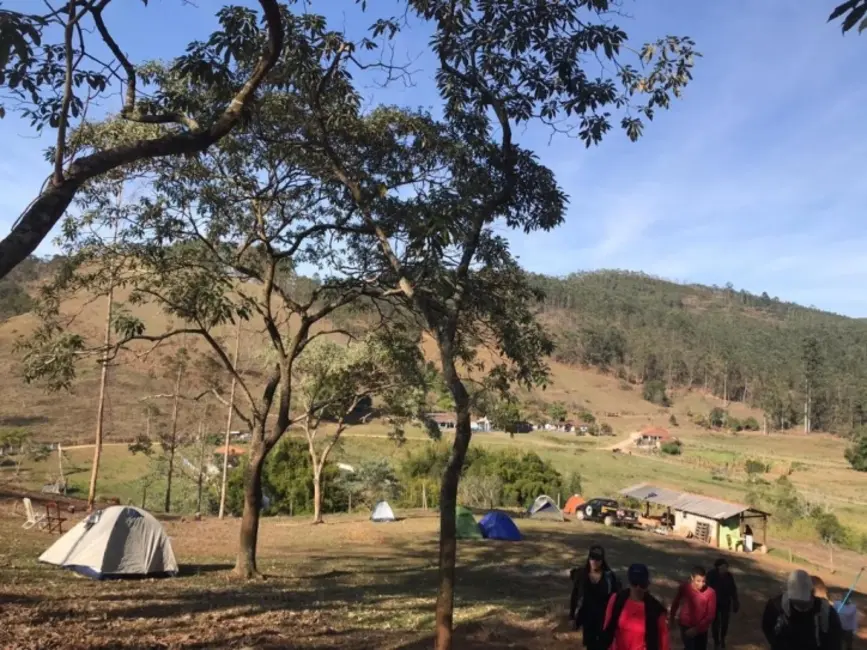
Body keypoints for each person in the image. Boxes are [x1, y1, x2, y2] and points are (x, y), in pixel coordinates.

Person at [762, 569, 843, 650]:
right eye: (796, 601)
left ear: (812, 593)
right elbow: (767, 627)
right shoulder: (776, 606)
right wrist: (778, 644)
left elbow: (835, 641)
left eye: (804, 601)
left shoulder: (826, 612)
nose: (800, 604)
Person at [602, 563, 669, 650]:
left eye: (642, 584)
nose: (638, 588)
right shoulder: (616, 600)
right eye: (634, 583)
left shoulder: (656, 610)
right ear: (629, 582)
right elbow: (607, 628)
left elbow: (664, 642)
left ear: (647, 584)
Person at [569, 545, 620, 650]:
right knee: (590, 645)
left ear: (602, 560)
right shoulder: (582, 575)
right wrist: (572, 616)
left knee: (603, 645)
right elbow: (575, 596)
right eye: (592, 558)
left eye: (597, 559)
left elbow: (615, 598)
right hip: (587, 617)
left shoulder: (609, 577)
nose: (594, 562)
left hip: (604, 618)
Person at [670, 566, 716, 650]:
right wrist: (671, 619)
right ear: (692, 578)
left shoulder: (710, 593)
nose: (701, 584)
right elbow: (675, 603)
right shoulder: (685, 588)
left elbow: (710, 615)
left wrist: (696, 629)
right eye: (698, 581)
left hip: (702, 628)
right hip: (685, 625)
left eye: (703, 581)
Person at [707, 559, 739, 650]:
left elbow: (733, 589)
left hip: (725, 603)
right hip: (714, 603)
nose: (725, 569)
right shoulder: (711, 575)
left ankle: (722, 638)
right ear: (718, 567)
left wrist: (735, 601)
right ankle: (716, 641)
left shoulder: (729, 576)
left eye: (726, 567)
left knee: (725, 623)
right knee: (715, 623)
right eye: (723, 567)